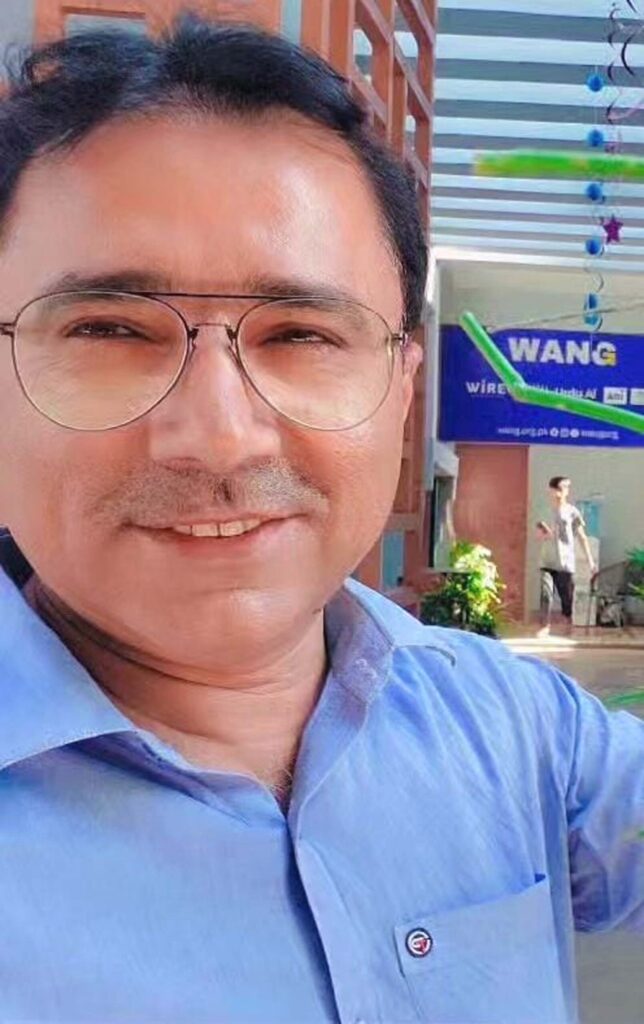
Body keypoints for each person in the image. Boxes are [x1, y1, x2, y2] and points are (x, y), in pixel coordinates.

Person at [0, 16, 641, 1024]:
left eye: (301, 332)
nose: (217, 437)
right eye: (108, 328)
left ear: (400, 390)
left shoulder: (514, 729)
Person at [537, 475, 596, 638]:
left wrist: (590, 560)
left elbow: (582, 536)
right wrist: (545, 534)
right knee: (545, 593)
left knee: (566, 595)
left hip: (565, 562)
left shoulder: (572, 512)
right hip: (547, 560)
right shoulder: (544, 510)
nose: (564, 492)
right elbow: (539, 533)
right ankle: (544, 626)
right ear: (553, 490)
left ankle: (567, 620)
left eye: (566, 488)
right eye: (562, 488)